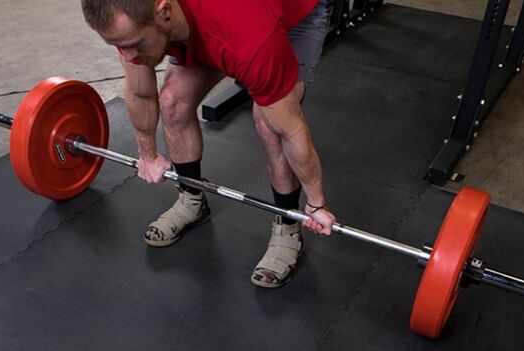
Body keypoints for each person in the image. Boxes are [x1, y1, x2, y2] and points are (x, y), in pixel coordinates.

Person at [82, 0, 337, 288]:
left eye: (133, 44)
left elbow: (291, 131)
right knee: (172, 102)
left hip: (294, 13)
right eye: (119, 45)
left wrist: (315, 204)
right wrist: (148, 154)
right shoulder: (130, 15)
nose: (127, 55)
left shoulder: (249, 37)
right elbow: (142, 94)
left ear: (164, 11)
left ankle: (288, 226)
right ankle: (192, 200)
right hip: (207, 21)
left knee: (270, 123)